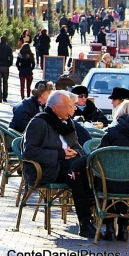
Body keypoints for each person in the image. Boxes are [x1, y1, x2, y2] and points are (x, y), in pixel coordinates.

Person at [77, 101, 129, 242]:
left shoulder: (112, 133)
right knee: (128, 186)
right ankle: (123, 227)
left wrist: (76, 164)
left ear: (119, 114)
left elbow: (96, 155)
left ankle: (109, 228)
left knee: (103, 183)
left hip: (108, 184)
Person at [22, 90, 97, 238]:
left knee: (85, 171)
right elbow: (29, 151)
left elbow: (77, 146)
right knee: (76, 173)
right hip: (46, 170)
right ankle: (86, 222)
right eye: (70, 105)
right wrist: (61, 154)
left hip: (68, 167)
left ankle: (93, 219)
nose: (74, 109)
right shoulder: (39, 122)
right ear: (55, 107)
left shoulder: (68, 123)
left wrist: (76, 153)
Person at [0, 36, 14, 103]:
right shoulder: (8, 48)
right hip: (5, 66)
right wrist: (9, 64)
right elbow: (11, 57)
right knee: (5, 82)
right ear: (6, 41)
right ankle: (4, 97)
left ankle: (0, 97)